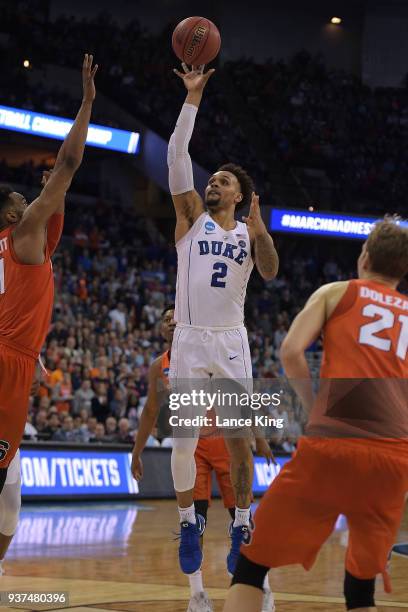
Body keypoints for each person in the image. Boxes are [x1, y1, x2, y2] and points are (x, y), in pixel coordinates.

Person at [223, 219, 408, 612]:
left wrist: (313, 410)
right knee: (361, 590)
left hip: (334, 441)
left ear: (365, 257)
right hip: (394, 457)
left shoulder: (337, 292)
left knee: (251, 566)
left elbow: (291, 351)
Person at [167, 63, 279, 578]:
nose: (213, 181)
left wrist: (261, 233)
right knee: (184, 440)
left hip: (232, 342)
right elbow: (176, 155)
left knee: (238, 440)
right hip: (189, 340)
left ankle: (241, 521)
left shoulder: (247, 236)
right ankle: (189, 520)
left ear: (239, 195)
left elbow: (273, 273)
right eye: (212, 177)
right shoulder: (190, 218)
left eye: (224, 180)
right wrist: (193, 98)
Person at [132, 307, 276, 612]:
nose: (172, 322)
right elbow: (149, 411)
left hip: (225, 443)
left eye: (176, 317)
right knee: (193, 527)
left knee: (244, 523)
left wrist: (259, 437)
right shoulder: (160, 366)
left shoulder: (211, 350)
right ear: (161, 329)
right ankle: (197, 597)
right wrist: (137, 450)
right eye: (166, 319)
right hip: (193, 448)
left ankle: (262, 589)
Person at [0, 54, 98, 492]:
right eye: (23, 201)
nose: (28, 203)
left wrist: (52, 197)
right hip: (10, 360)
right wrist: (87, 103)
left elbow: (58, 197)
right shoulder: (22, 235)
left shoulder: (22, 244)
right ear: (9, 214)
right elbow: (69, 164)